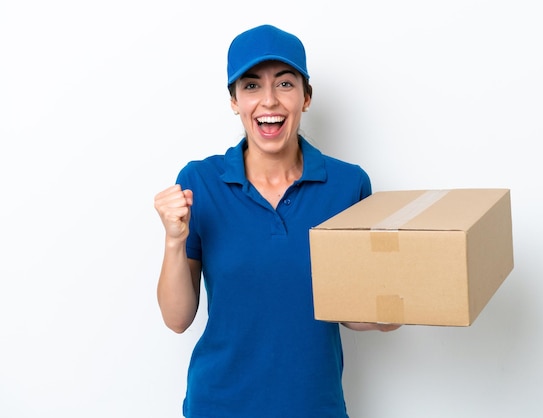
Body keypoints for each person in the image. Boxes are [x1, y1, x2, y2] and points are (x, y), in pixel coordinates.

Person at [154, 24, 400, 418]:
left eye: (285, 84)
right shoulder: (200, 183)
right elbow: (178, 319)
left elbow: (350, 308)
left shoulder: (347, 184)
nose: (269, 100)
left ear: (306, 97)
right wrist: (172, 240)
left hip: (314, 406)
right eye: (251, 86)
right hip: (218, 406)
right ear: (234, 100)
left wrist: (389, 314)